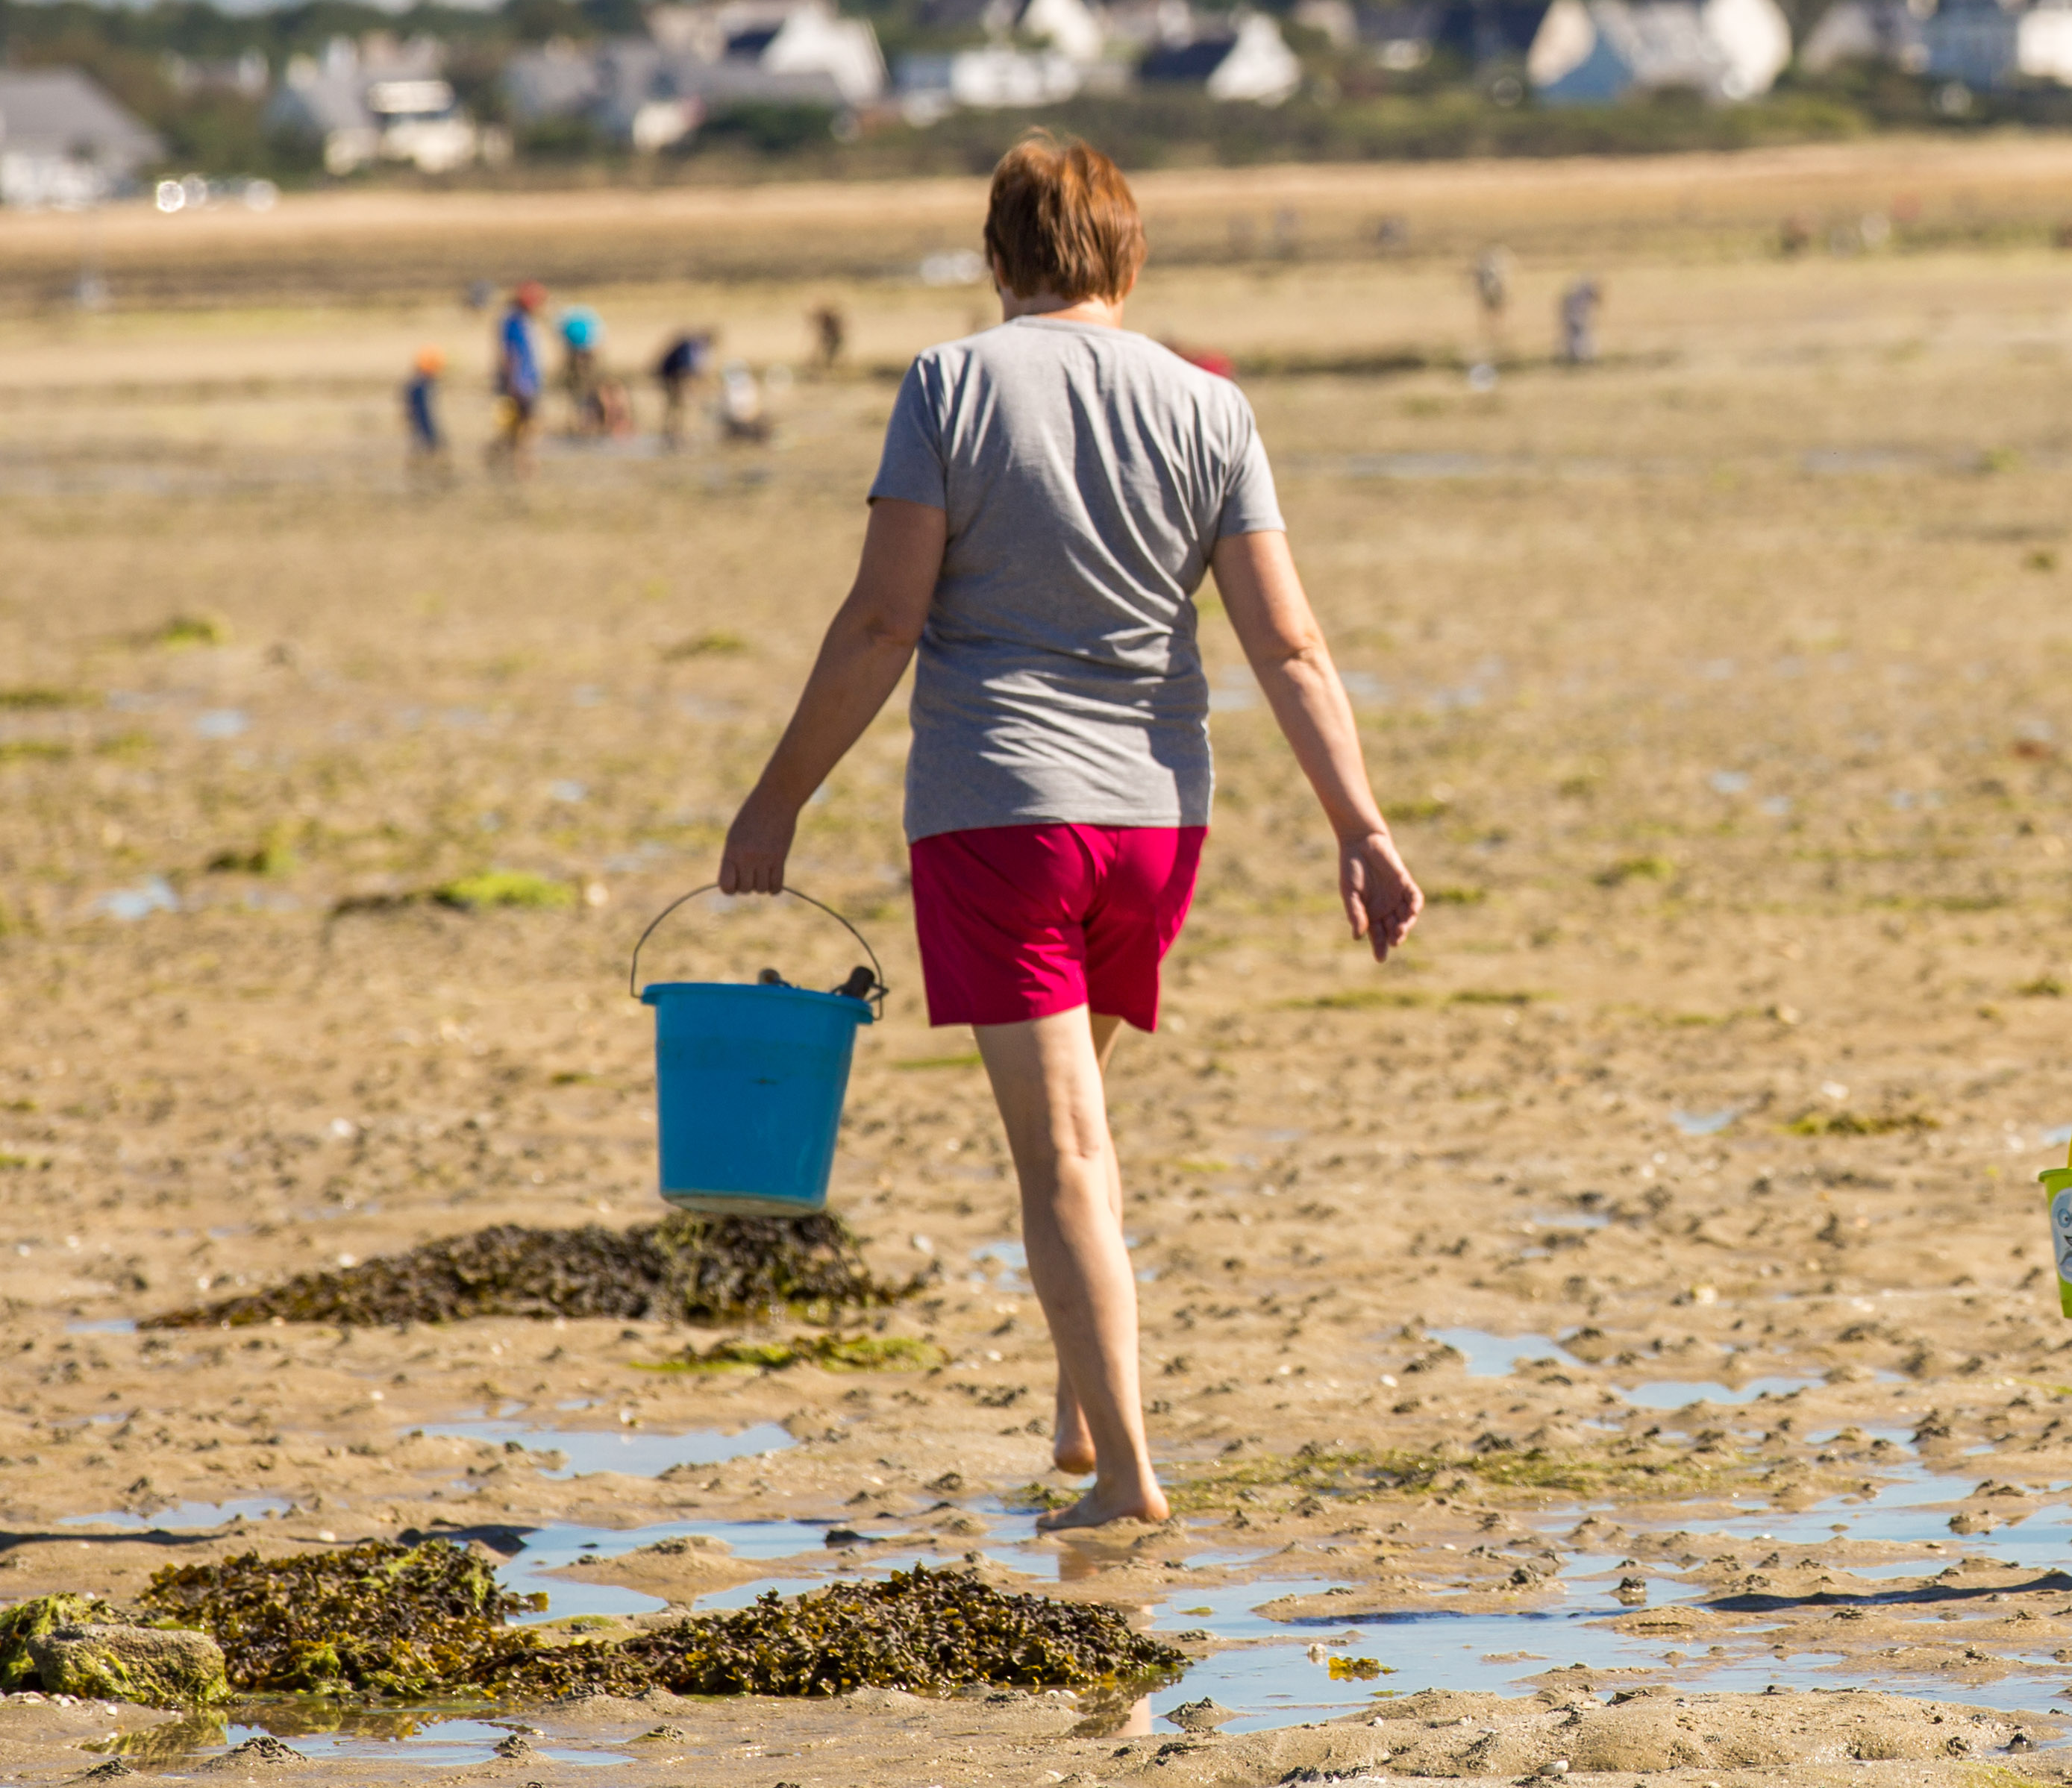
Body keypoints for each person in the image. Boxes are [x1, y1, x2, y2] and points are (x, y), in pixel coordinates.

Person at [721, 133, 1425, 1531]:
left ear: (998, 257)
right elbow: (1288, 645)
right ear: (1127, 252)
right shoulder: (1208, 403)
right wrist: (1362, 825)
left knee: (1062, 1158)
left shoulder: (950, 384)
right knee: (1083, 1126)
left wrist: (777, 796)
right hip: (1160, 828)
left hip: (1003, 817)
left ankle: (1126, 1479)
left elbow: (882, 620)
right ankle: (1079, 1405)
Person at [492, 284, 548, 473]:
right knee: (528, 424)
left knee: (522, 426)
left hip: (526, 380)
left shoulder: (520, 320)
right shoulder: (514, 322)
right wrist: (514, 382)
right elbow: (512, 355)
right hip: (522, 382)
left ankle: (517, 461)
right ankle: (523, 463)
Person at [654, 329, 711, 447]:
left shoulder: (692, 346)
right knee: (677, 406)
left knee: (676, 406)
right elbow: (687, 368)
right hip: (672, 377)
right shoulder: (691, 347)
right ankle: (673, 433)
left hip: (673, 376)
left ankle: (674, 432)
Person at [402, 349, 447, 466]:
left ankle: (423, 456)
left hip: (421, 418)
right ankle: (425, 456)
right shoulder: (419, 385)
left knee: (421, 437)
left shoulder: (418, 384)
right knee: (424, 436)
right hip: (422, 419)